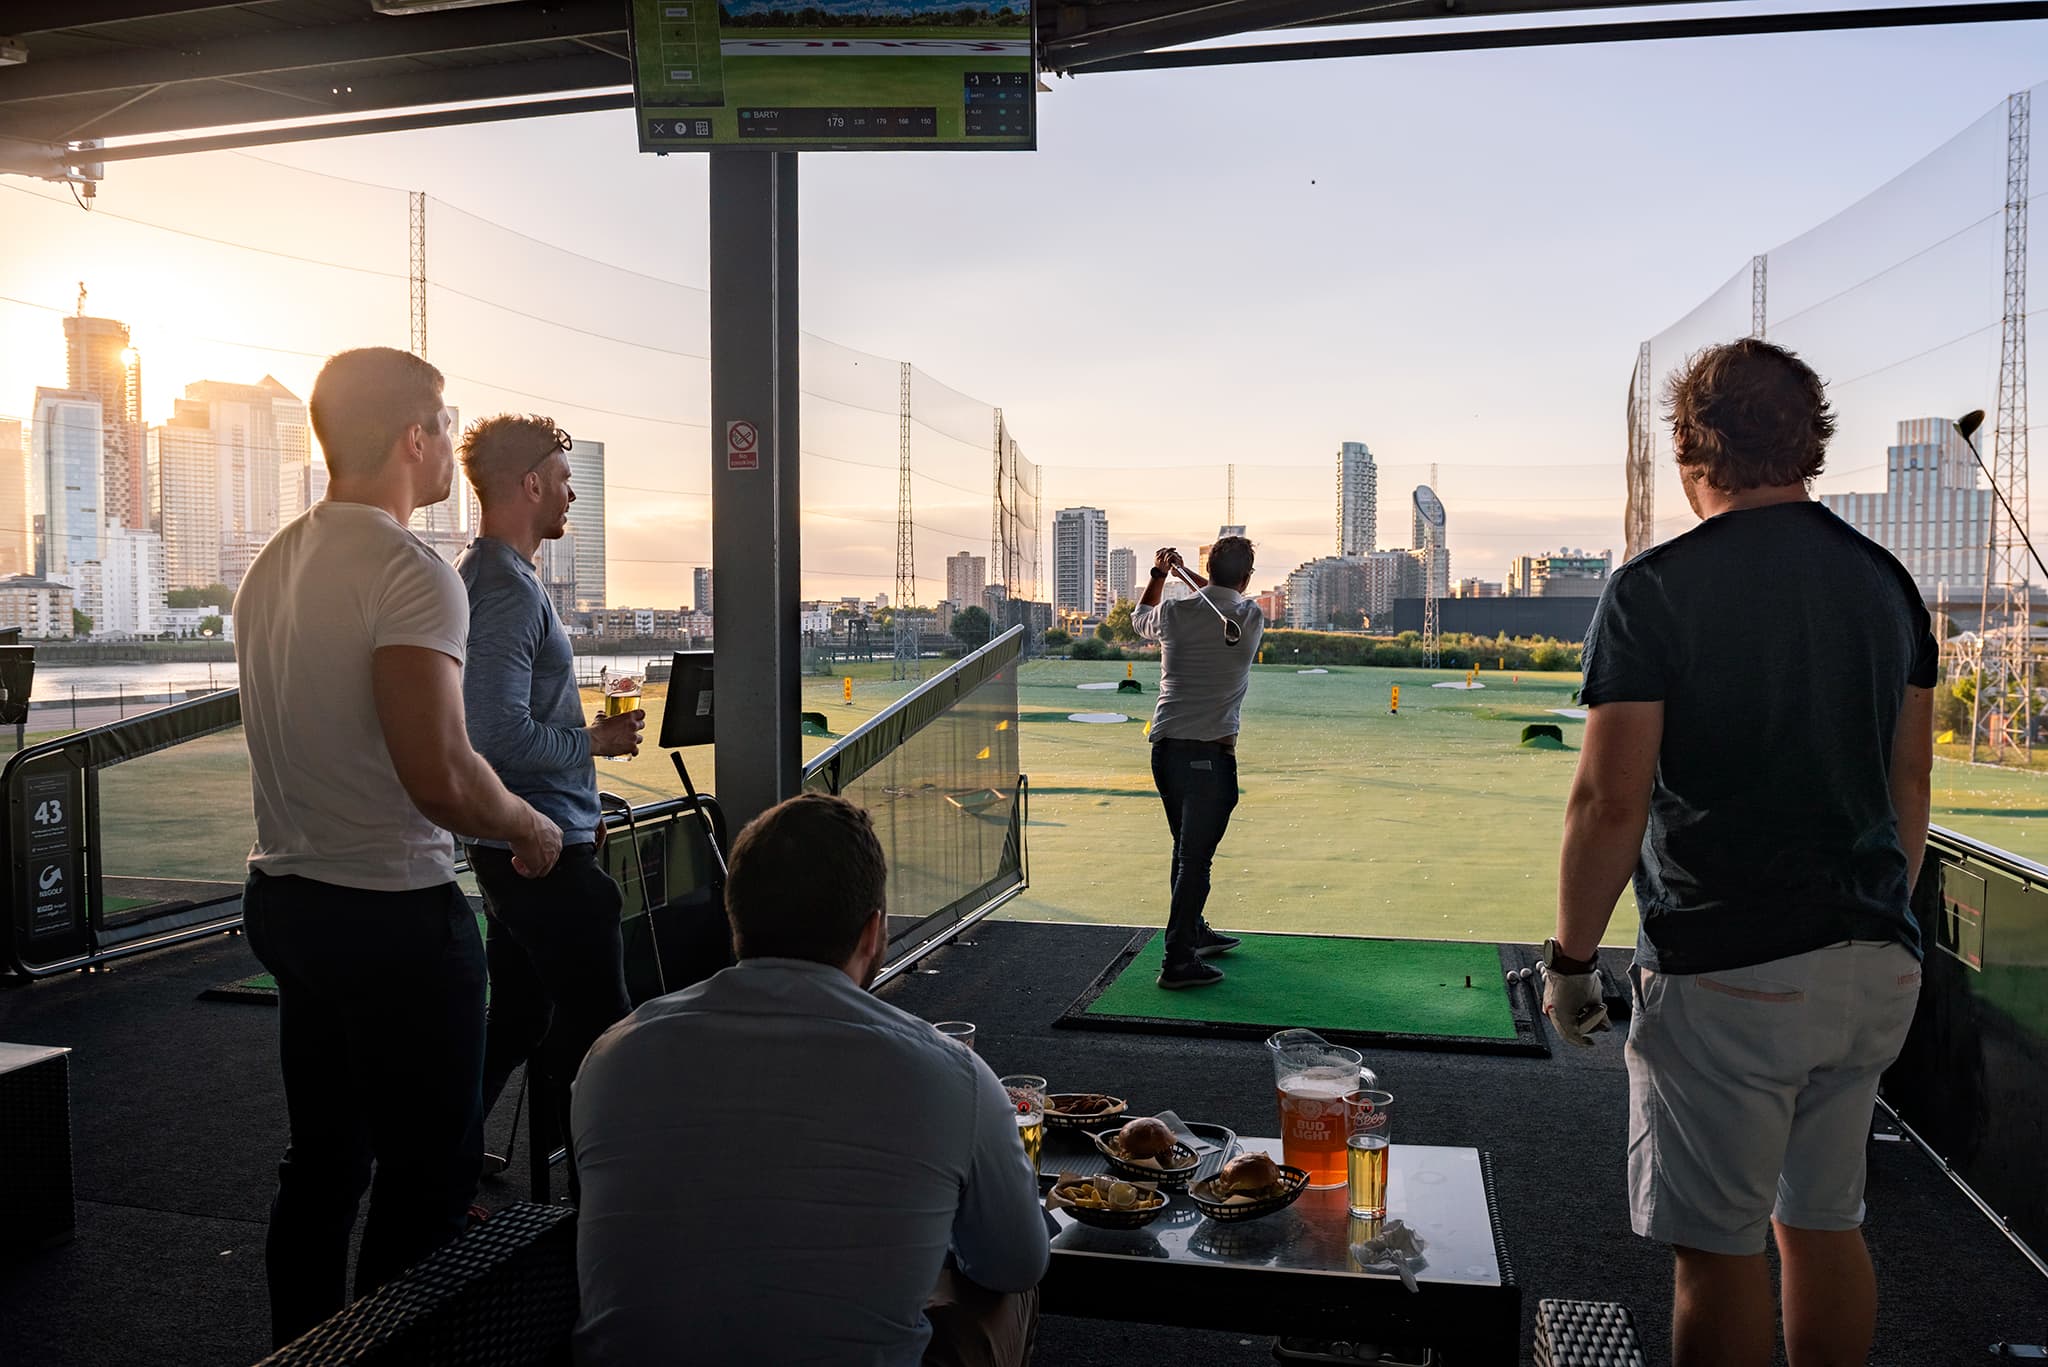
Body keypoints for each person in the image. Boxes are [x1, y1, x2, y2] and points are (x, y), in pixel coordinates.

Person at [1546, 338, 1934, 1367]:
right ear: (1809, 439)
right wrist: (1874, 913)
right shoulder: (1884, 582)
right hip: (1875, 961)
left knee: (1714, 1252)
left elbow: (1605, 798)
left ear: (1689, 449)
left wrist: (1571, 961)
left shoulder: (1655, 588)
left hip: (1729, 969)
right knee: (1822, 1219)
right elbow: (1906, 790)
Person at [234, 348, 564, 1347]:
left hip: (288, 899)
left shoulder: (276, 560)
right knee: (428, 1175)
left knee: (324, 1164)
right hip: (391, 912)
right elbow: (442, 773)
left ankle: (304, 1349)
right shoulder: (409, 566)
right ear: (415, 435)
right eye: (442, 420)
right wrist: (529, 822)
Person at [572, 793, 1048, 1367]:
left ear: (735, 917)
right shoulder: (953, 1075)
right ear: (873, 932)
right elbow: (1016, 1263)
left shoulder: (613, 1054)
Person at [454, 414, 645, 1191]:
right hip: (531, 852)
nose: (571, 493)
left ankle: (450, 1159)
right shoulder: (501, 587)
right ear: (530, 484)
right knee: (611, 1026)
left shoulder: (510, 578)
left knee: (524, 1016)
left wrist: (578, 800)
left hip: (544, 834)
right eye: (564, 480)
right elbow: (494, 733)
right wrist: (591, 748)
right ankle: (622, 1185)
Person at [1132, 536, 1265, 989]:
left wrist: (1161, 574)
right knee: (1195, 860)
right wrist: (1188, 575)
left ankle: (1193, 932)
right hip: (1210, 755)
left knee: (1185, 851)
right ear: (1247, 577)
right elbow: (1221, 592)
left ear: (1208, 566)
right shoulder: (1249, 616)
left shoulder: (1173, 612)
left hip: (1166, 750)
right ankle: (1178, 960)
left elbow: (1138, 619)